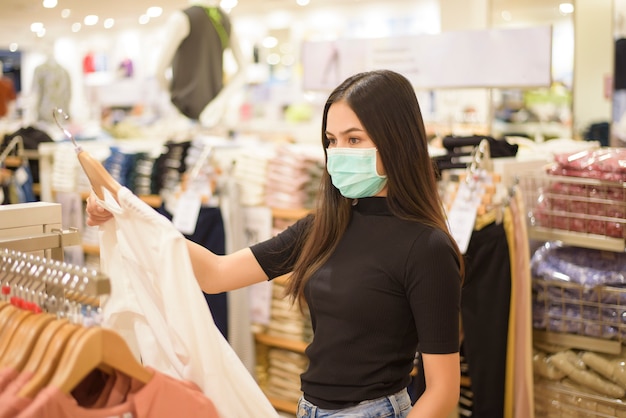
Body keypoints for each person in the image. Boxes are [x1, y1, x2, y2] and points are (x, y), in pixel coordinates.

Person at [86, 69, 464, 418]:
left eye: (354, 139)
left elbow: (443, 390)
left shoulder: (427, 247)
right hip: (308, 408)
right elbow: (216, 274)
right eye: (332, 140)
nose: (339, 152)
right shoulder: (324, 228)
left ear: (396, 140)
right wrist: (128, 216)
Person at [154, 0, 246, 128]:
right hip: (210, 112)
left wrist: (173, 97)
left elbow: (158, 71)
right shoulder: (225, 20)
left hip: (185, 111)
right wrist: (220, 101)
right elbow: (244, 70)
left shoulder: (182, 18)